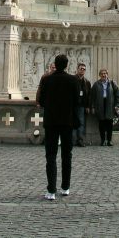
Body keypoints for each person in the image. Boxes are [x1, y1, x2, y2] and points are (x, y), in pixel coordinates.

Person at [38, 53, 80, 201]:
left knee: (50, 156)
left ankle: (51, 190)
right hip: (67, 123)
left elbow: (41, 101)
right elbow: (77, 101)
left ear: (54, 64)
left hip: (51, 122)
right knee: (66, 155)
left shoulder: (47, 80)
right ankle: (65, 187)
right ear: (67, 65)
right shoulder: (73, 80)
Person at [90, 68, 119, 146]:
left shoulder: (112, 83)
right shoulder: (96, 84)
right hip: (100, 104)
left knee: (110, 123)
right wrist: (93, 107)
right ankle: (103, 140)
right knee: (101, 123)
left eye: (105, 73)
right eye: (102, 74)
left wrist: (117, 105)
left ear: (107, 74)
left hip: (109, 104)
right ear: (99, 75)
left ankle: (109, 140)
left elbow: (118, 94)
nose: (104, 75)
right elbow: (92, 96)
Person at [73, 62, 91, 147]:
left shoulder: (87, 82)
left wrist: (87, 106)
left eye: (84, 69)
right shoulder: (72, 80)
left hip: (81, 106)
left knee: (81, 123)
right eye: (81, 69)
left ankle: (80, 140)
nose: (82, 70)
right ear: (77, 69)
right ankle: (71, 140)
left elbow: (89, 95)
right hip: (72, 105)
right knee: (71, 122)